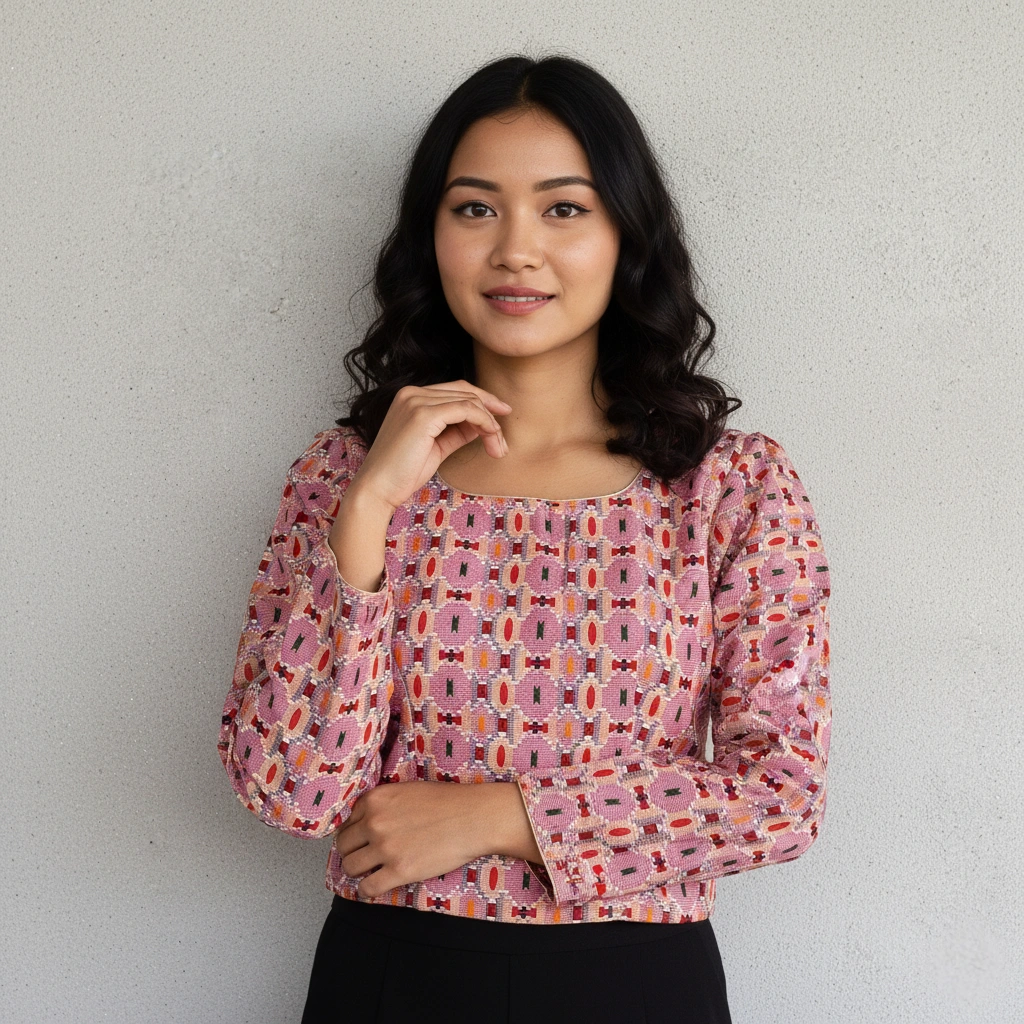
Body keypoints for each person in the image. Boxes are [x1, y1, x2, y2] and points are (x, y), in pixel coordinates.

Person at [217, 53, 832, 1024]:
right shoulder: (344, 476)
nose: (514, 249)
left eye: (562, 208)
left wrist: (506, 816)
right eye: (473, 208)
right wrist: (370, 510)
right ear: (430, 237)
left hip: (638, 985)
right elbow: (289, 790)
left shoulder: (730, 488)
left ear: (624, 234)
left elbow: (779, 793)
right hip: (392, 977)